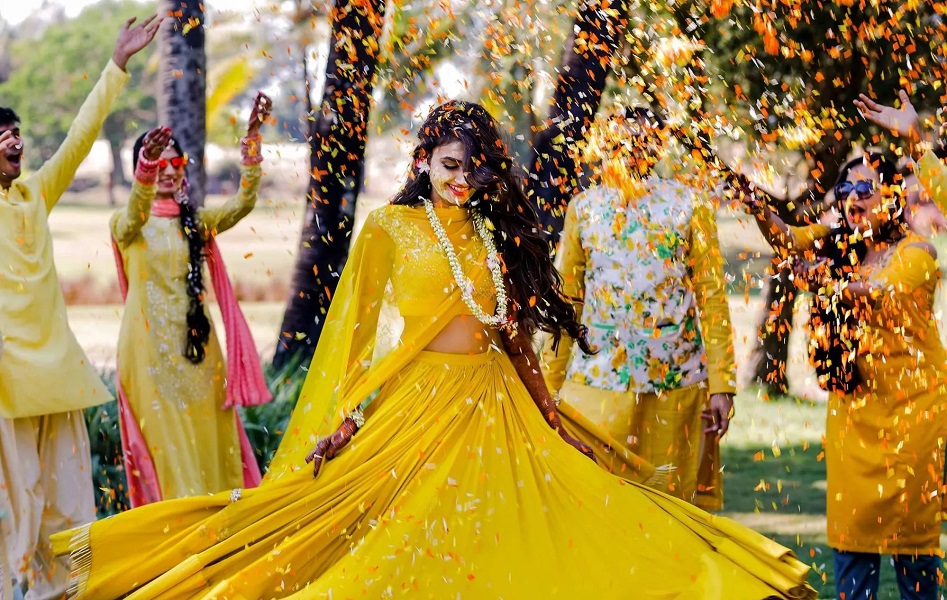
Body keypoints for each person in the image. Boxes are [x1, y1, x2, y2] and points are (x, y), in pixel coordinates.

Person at [53, 101, 814, 599]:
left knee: (549, 533)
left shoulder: (492, 232)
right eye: (450, 165)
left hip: (498, 406)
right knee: (356, 542)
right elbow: (353, 339)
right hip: (417, 408)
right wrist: (344, 420)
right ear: (422, 160)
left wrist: (550, 411)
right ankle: (91, 561)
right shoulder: (388, 231)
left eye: (475, 167)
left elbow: (512, 335)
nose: (463, 179)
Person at [739, 146, 946, 600]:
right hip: (854, 416)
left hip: (915, 422)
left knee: (914, 555)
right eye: (846, 188)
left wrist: (822, 282)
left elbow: (875, 293)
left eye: (866, 189)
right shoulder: (838, 240)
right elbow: (786, 239)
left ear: (891, 196)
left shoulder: (917, 253)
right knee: (852, 548)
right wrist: (758, 207)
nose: (853, 198)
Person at [0, 15, 160, 598]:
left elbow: (79, 138)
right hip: (7, 382)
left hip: (57, 375)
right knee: (15, 504)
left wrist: (117, 65)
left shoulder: (33, 194)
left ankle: (75, 589)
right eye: (1, 135)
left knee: (70, 500)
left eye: (15, 131)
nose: (14, 140)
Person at [543, 107, 736, 510]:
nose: (631, 149)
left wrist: (722, 385)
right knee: (595, 506)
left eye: (643, 140)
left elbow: (712, 298)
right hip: (596, 385)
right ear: (604, 146)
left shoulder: (690, 206)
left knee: (671, 511)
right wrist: (546, 385)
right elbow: (567, 302)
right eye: (620, 141)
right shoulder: (585, 207)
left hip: (674, 388)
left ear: (659, 145)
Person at [110, 93, 274, 506]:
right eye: (156, 163)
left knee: (208, 443)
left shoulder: (197, 222)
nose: (167, 170)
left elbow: (243, 203)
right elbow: (133, 212)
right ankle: (175, 538)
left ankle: (217, 525)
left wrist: (251, 144)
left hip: (199, 352)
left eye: (174, 163)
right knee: (167, 448)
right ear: (140, 170)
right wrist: (144, 173)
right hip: (148, 354)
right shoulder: (127, 225)